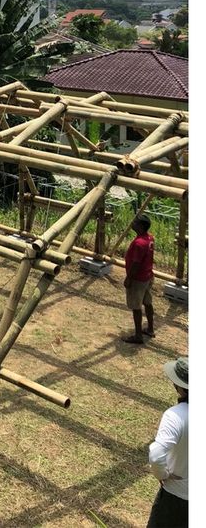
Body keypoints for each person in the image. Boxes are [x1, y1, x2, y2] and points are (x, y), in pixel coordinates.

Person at [147, 356, 188, 527]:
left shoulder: (176, 416)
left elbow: (156, 455)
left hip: (177, 496)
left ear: (180, 388)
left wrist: (162, 474)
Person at [122, 214, 155, 344]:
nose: (133, 223)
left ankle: (138, 336)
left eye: (135, 222)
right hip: (147, 276)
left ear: (140, 226)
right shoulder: (149, 238)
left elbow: (136, 263)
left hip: (138, 279)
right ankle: (150, 329)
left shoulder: (139, 243)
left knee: (136, 306)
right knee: (147, 302)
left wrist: (129, 278)